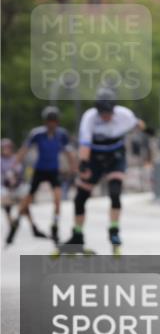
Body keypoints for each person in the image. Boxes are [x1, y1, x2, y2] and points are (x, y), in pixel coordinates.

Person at [58, 89, 145, 255]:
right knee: (80, 198)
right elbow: (85, 145)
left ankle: (114, 232)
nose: (106, 117)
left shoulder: (124, 115)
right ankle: (77, 236)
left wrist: (147, 130)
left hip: (115, 156)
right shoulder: (90, 117)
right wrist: (83, 165)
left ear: (114, 110)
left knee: (114, 193)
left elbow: (138, 124)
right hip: (94, 157)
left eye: (109, 113)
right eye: (103, 114)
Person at [7, 106, 75, 245]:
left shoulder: (61, 135)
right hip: (40, 169)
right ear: (45, 122)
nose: (51, 124)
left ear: (57, 122)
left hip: (54, 170)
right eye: (49, 121)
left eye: (54, 121)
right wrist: (14, 165)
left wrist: (73, 168)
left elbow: (69, 153)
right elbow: (24, 150)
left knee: (57, 198)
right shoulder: (37, 134)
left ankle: (55, 226)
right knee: (28, 198)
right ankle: (16, 223)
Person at [2, 138, 48, 242]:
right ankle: (12, 224)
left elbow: (18, 171)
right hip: (5, 186)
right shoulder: (1, 161)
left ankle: (32, 226)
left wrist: (13, 176)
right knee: (5, 200)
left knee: (25, 203)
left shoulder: (15, 158)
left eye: (8, 148)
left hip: (18, 185)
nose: (6, 150)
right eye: (4, 148)